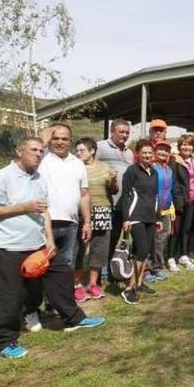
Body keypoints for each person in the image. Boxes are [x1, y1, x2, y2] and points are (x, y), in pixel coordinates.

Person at [0, 137, 104, 358]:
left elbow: (44, 210)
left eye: (40, 151)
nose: (38, 154)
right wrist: (22, 207)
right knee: (9, 295)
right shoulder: (3, 177)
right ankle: (2, 343)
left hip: (38, 244)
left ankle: (73, 319)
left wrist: (49, 240)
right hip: (10, 246)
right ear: (19, 151)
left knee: (61, 273)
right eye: (33, 150)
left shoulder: (38, 178)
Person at [38, 123, 90, 270]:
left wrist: (87, 222)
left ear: (70, 141)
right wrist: (43, 139)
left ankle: (61, 293)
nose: (60, 142)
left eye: (64, 139)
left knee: (66, 264)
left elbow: (84, 194)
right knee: (42, 263)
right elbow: (25, 153)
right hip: (45, 222)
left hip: (71, 224)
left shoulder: (78, 164)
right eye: (55, 138)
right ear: (49, 140)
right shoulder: (41, 158)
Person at [120, 140, 164, 304]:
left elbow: (155, 196)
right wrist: (126, 218)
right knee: (141, 250)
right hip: (135, 216)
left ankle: (138, 283)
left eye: (149, 152)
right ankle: (129, 288)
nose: (147, 155)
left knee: (143, 251)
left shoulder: (154, 172)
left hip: (150, 217)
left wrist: (158, 217)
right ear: (138, 154)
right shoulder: (131, 171)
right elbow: (125, 196)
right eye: (144, 152)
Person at [73, 137, 117, 301]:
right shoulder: (74, 167)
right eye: (77, 150)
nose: (78, 153)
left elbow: (113, 190)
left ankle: (92, 284)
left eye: (82, 150)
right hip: (81, 212)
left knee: (99, 249)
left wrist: (113, 182)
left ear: (92, 151)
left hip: (102, 210)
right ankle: (76, 285)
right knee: (79, 250)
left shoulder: (104, 166)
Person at [95, 119, 133, 276]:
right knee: (102, 239)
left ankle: (109, 269)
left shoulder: (129, 152)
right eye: (121, 132)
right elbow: (91, 167)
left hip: (121, 203)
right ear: (112, 131)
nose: (124, 135)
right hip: (104, 201)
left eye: (127, 132)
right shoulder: (100, 147)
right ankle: (99, 272)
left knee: (115, 237)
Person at [147, 140, 175, 282]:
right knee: (148, 240)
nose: (163, 153)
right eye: (160, 150)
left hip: (165, 210)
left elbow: (169, 190)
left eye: (166, 150)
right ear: (154, 151)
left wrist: (171, 209)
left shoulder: (169, 169)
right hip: (150, 210)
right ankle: (145, 269)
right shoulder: (150, 167)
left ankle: (157, 267)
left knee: (160, 240)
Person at [169, 134, 194, 271]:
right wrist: (178, 201)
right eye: (184, 144)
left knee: (186, 230)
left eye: (189, 144)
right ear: (180, 146)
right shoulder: (175, 161)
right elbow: (174, 182)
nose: (187, 147)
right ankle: (171, 257)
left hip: (191, 200)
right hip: (179, 201)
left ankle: (183, 255)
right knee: (176, 231)